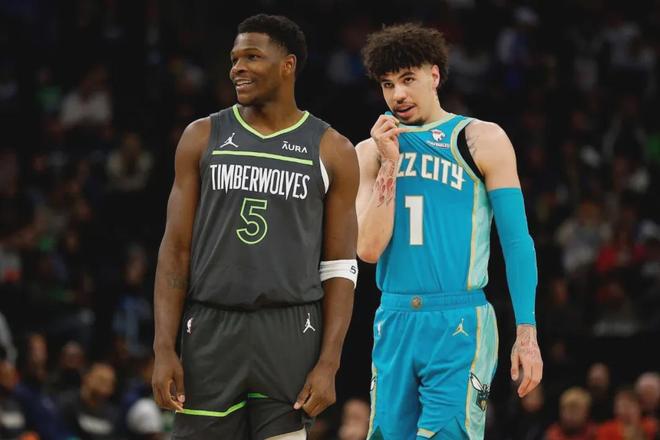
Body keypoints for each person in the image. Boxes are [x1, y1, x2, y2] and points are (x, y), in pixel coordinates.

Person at [151, 14, 359, 440]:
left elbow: (340, 266)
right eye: (234, 59)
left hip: (290, 329)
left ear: (288, 65)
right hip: (210, 325)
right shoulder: (201, 136)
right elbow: (175, 250)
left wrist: (329, 362)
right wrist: (163, 347)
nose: (237, 68)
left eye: (252, 57)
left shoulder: (332, 149)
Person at [355, 23, 543, 439]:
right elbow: (367, 249)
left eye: (408, 79)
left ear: (434, 75)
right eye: (388, 84)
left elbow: (516, 241)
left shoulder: (480, 138)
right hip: (394, 318)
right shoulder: (369, 151)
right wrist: (390, 164)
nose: (398, 94)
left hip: (459, 319)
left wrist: (526, 333)